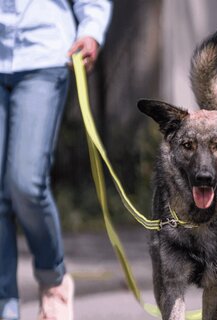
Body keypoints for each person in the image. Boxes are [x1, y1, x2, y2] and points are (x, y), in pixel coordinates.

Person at [0, 1, 113, 319]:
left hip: (45, 56)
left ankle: (54, 281)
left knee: (26, 183)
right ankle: (5, 303)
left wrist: (91, 30)